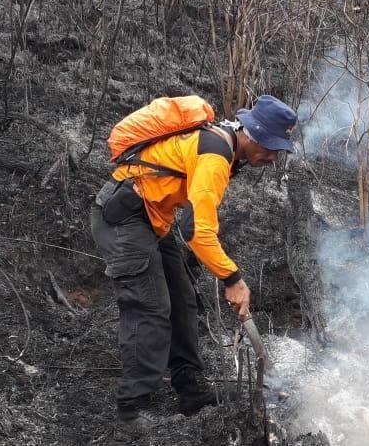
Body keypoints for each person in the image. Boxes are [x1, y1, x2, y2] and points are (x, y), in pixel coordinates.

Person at [89, 95, 297, 434]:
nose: (273, 157)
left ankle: (191, 391)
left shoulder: (224, 147)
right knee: (151, 308)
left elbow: (191, 223)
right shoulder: (216, 155)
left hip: (153, 219)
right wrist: (232, 278)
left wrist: (226, 272)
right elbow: (198, 231)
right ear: (252, 134)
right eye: (272, 147)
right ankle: (132, 411)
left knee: (183, 302)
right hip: (125, 217)